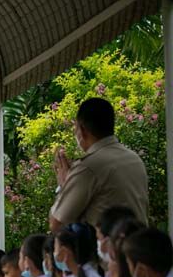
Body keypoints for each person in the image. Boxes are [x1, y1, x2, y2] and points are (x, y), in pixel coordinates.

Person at [49, 97, 148, 232]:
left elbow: (56, 224)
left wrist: (63, 186)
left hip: (107, 251)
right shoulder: (134, 159)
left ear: (82, 130)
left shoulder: (88, 167)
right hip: (137, 247)